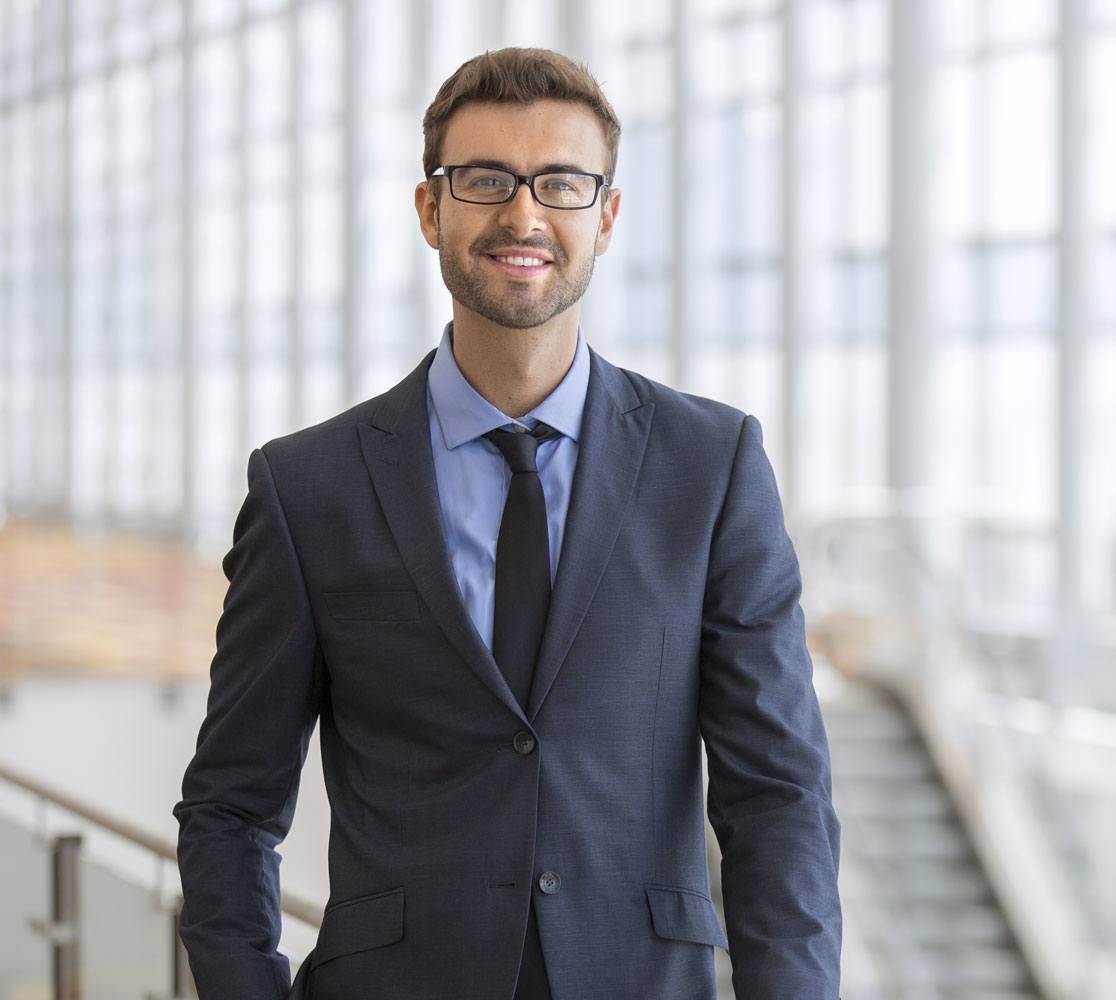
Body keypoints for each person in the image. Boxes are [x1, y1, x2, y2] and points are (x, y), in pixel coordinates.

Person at [174, 47, 842, 1000]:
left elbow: (778, 795)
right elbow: (232, 807)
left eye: (560, 184)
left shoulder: (713, 465)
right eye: (485, 181)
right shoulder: (307, 486)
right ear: (429, 209)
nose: (523, 215)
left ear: (604, 219)